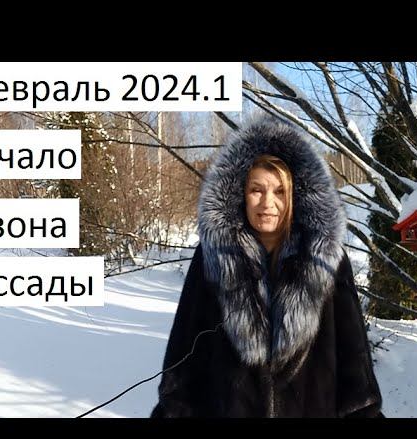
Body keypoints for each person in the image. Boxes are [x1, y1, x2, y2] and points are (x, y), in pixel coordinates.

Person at [150, 116, 383, 417]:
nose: (267, 203)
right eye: (256, 190)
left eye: (279, 191)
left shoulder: (325, 259)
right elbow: (182, 364)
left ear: (296, 196)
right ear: (239, 194)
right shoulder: (213, 258)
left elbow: (355, 364)